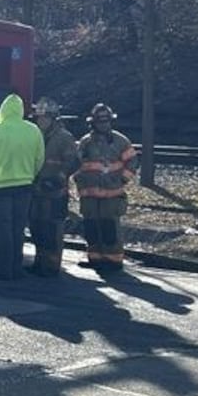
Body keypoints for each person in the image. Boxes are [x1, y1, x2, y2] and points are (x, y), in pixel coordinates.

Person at [0, 94, 44, 280]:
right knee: (18, 228)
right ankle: (17, 267)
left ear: (2, 110)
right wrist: (30, 175)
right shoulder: (33, 131)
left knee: (3, 229)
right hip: (24, 187)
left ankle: (4, 269)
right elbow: (39, 159)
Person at [73, 103, 139, 272]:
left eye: (106, 121)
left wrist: (121, 181)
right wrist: (80, 184)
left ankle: (114, 261)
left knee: (110, 228)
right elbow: (75, 165)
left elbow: (132, 162)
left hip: (112, 195)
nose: (104, 125)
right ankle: (95, 259)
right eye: (100, 122)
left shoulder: (120, 141)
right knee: (92, 228)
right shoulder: (85, 142)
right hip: (90, 195)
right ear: (93, 123)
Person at [27, 98, 80, 277]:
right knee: (36, 226)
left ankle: (51, 265)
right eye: (38, 118)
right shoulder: (35, 135)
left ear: (53, 118)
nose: (40, 121)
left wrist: (59, 178)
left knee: (52, 229)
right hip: (37, 189)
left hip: (55, 192)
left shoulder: (64, 137)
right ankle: (39, 261)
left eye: (44, 118)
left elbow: (73, 161)